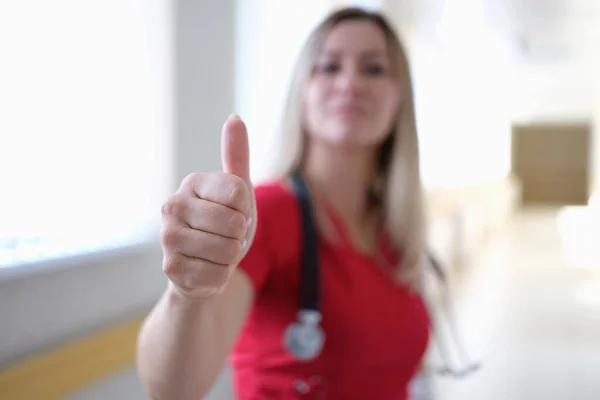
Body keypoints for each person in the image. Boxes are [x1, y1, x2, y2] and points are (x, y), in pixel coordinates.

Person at [137, 6, 432, 400]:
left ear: (400, 98)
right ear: (302, 91)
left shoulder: (394, 229)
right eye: (329, 67)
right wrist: (186, 295)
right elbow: (174, 388)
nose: (350, 82)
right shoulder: (265, 214)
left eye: (374, 68)